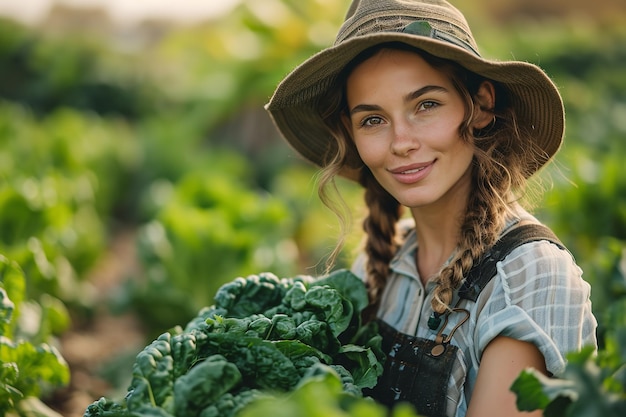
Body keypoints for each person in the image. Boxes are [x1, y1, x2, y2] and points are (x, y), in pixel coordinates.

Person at [265, 1, 598, 416]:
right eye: (373, 119)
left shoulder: (526, 275)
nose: (401, 141)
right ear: (351, 133)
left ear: (480, 107)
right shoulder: (381, 262)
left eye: (426, 105)